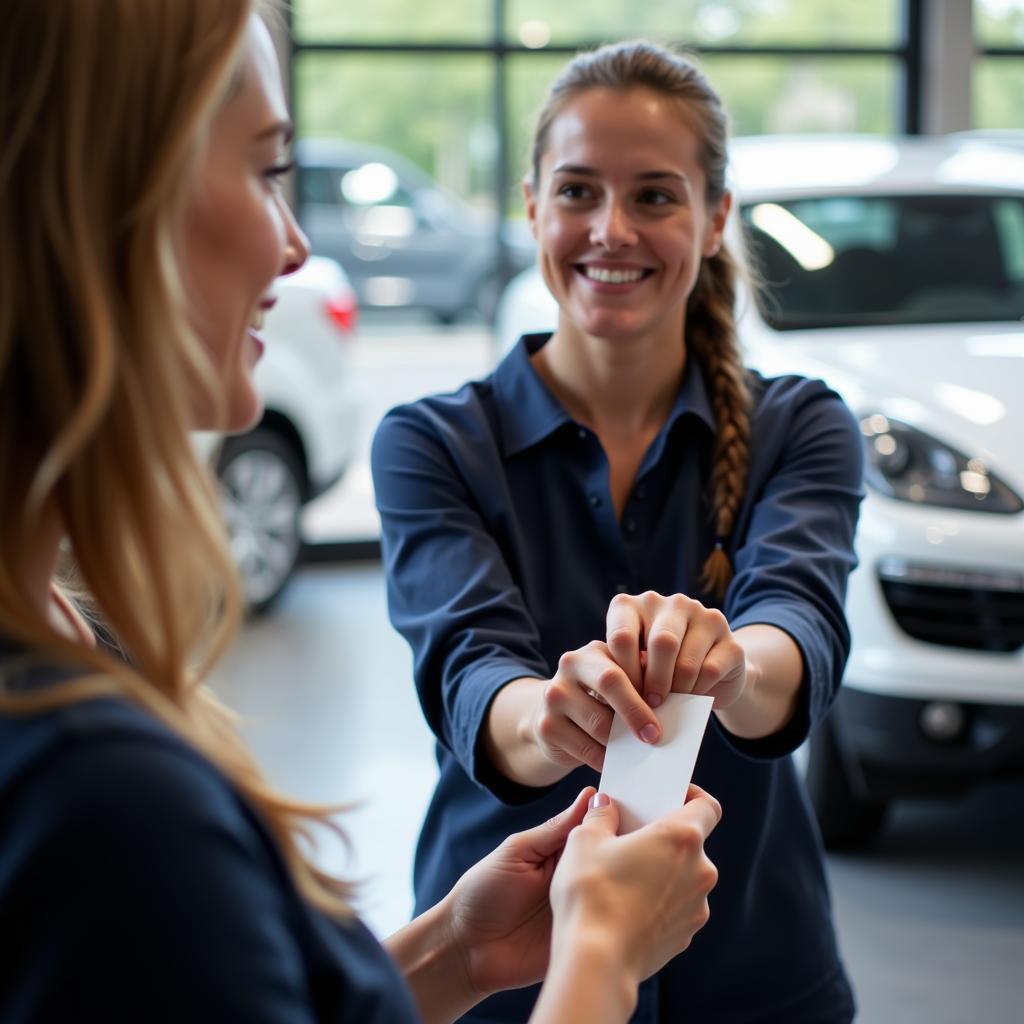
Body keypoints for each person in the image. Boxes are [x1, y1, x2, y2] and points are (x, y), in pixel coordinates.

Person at [0, 6, 724, 1022]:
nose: (295, 247)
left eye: (655, 195)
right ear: (105, 206)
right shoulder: (99, 793)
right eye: (266, 173)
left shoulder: (68, 645)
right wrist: (599, 956)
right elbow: (471, 664)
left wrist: (454, 951)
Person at [372, 39, 864, 1023]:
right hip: (507, 958)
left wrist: (733, 667)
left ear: (715, 216)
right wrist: (546, 717)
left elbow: (796, 627)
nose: (610, 229)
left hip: (756, 967)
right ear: (530, 206)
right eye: (576, 190)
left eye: (653, 195)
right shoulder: (431, 442)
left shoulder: (799, 425)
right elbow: (469, 664)